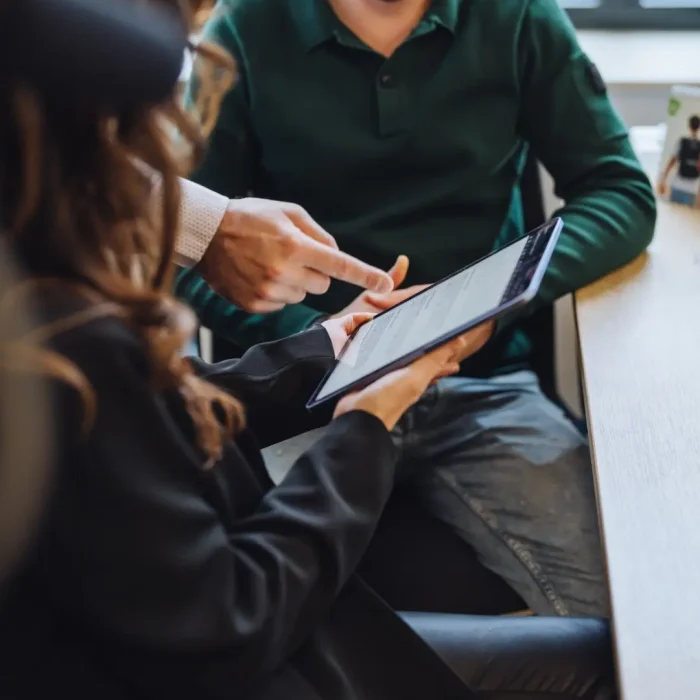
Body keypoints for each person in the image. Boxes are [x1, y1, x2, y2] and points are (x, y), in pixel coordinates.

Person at [0, 2, 618, 699]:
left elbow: (618, 188)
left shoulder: (63, 326)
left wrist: (326, 345)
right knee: (622, 653)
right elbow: (230, 618)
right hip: (273, 629)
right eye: (140, 148)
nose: (159, 185)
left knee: (625, 600)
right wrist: (362, 423)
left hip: (421, 391)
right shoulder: (77, 353)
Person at [175, 0, 657, 617]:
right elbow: (186, 256)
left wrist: (495, 302)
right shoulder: (244, 29)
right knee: (234, 613)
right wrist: (318, 342)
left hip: (482, 386)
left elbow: (620, 192)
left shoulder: (519, 18)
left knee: (630, 611)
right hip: (306, 395)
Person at [658, 114, 700, 207]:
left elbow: (671, 162)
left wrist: (663, 180)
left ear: (689, 126)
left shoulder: (682, 141)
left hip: (678, 185)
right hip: (692, 189)